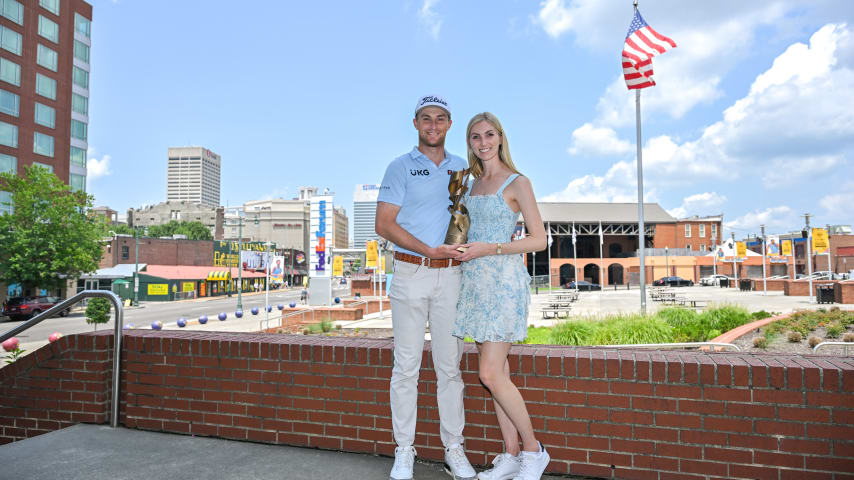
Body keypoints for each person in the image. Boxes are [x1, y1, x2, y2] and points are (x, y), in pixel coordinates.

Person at [376, 95, 477, 480]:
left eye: (440, 119)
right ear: (415, 124)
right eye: (426, 119)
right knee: (406, 369)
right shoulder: (400, 167)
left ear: (450, 124)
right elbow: (384, 224)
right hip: (410, 273)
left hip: (452, 276)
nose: (433, 125)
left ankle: (454, 449)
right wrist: (428, 249)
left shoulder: (464, 169)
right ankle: (405, 450)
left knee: (450, 369)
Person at [452, 112, 550, 480]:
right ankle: (509, 455)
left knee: (490, 373)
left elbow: (539, 240)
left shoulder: (518, 182)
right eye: (476, 136)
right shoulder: (471, 185)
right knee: (499, 372)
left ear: (501, 137)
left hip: (503, 282)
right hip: (474, 282)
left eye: (489, 134)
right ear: (470, 143)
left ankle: (533, 450)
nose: (483, 142)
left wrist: (490, 249)